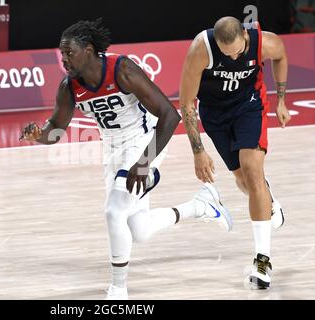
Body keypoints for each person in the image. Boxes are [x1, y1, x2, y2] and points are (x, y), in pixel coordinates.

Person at [20, 18, 232, 299]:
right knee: (139, 230)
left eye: (69, 52)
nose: (64, 59)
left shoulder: (121, 69)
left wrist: (144, 164)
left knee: (114, 211)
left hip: (143, 140)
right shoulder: (68, 87)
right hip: (113, 150)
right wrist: (39, 134)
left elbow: (170, 116)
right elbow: (56, 131)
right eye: (62, 54)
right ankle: (201, 205)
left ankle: (117, 289)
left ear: (89, 50)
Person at [179, 16, 291, 289]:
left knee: (252, 172)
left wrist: (281, 100)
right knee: (244, 179)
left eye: (238, 52)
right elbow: (186, 103)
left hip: (249, 106)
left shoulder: (263, 42)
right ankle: (267, 196)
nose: (234, 57)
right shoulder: (201, 49)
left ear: (244, 35)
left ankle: (262, 260)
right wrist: (198, 151)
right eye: (227, 54)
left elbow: (281, 56)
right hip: (215, 115)